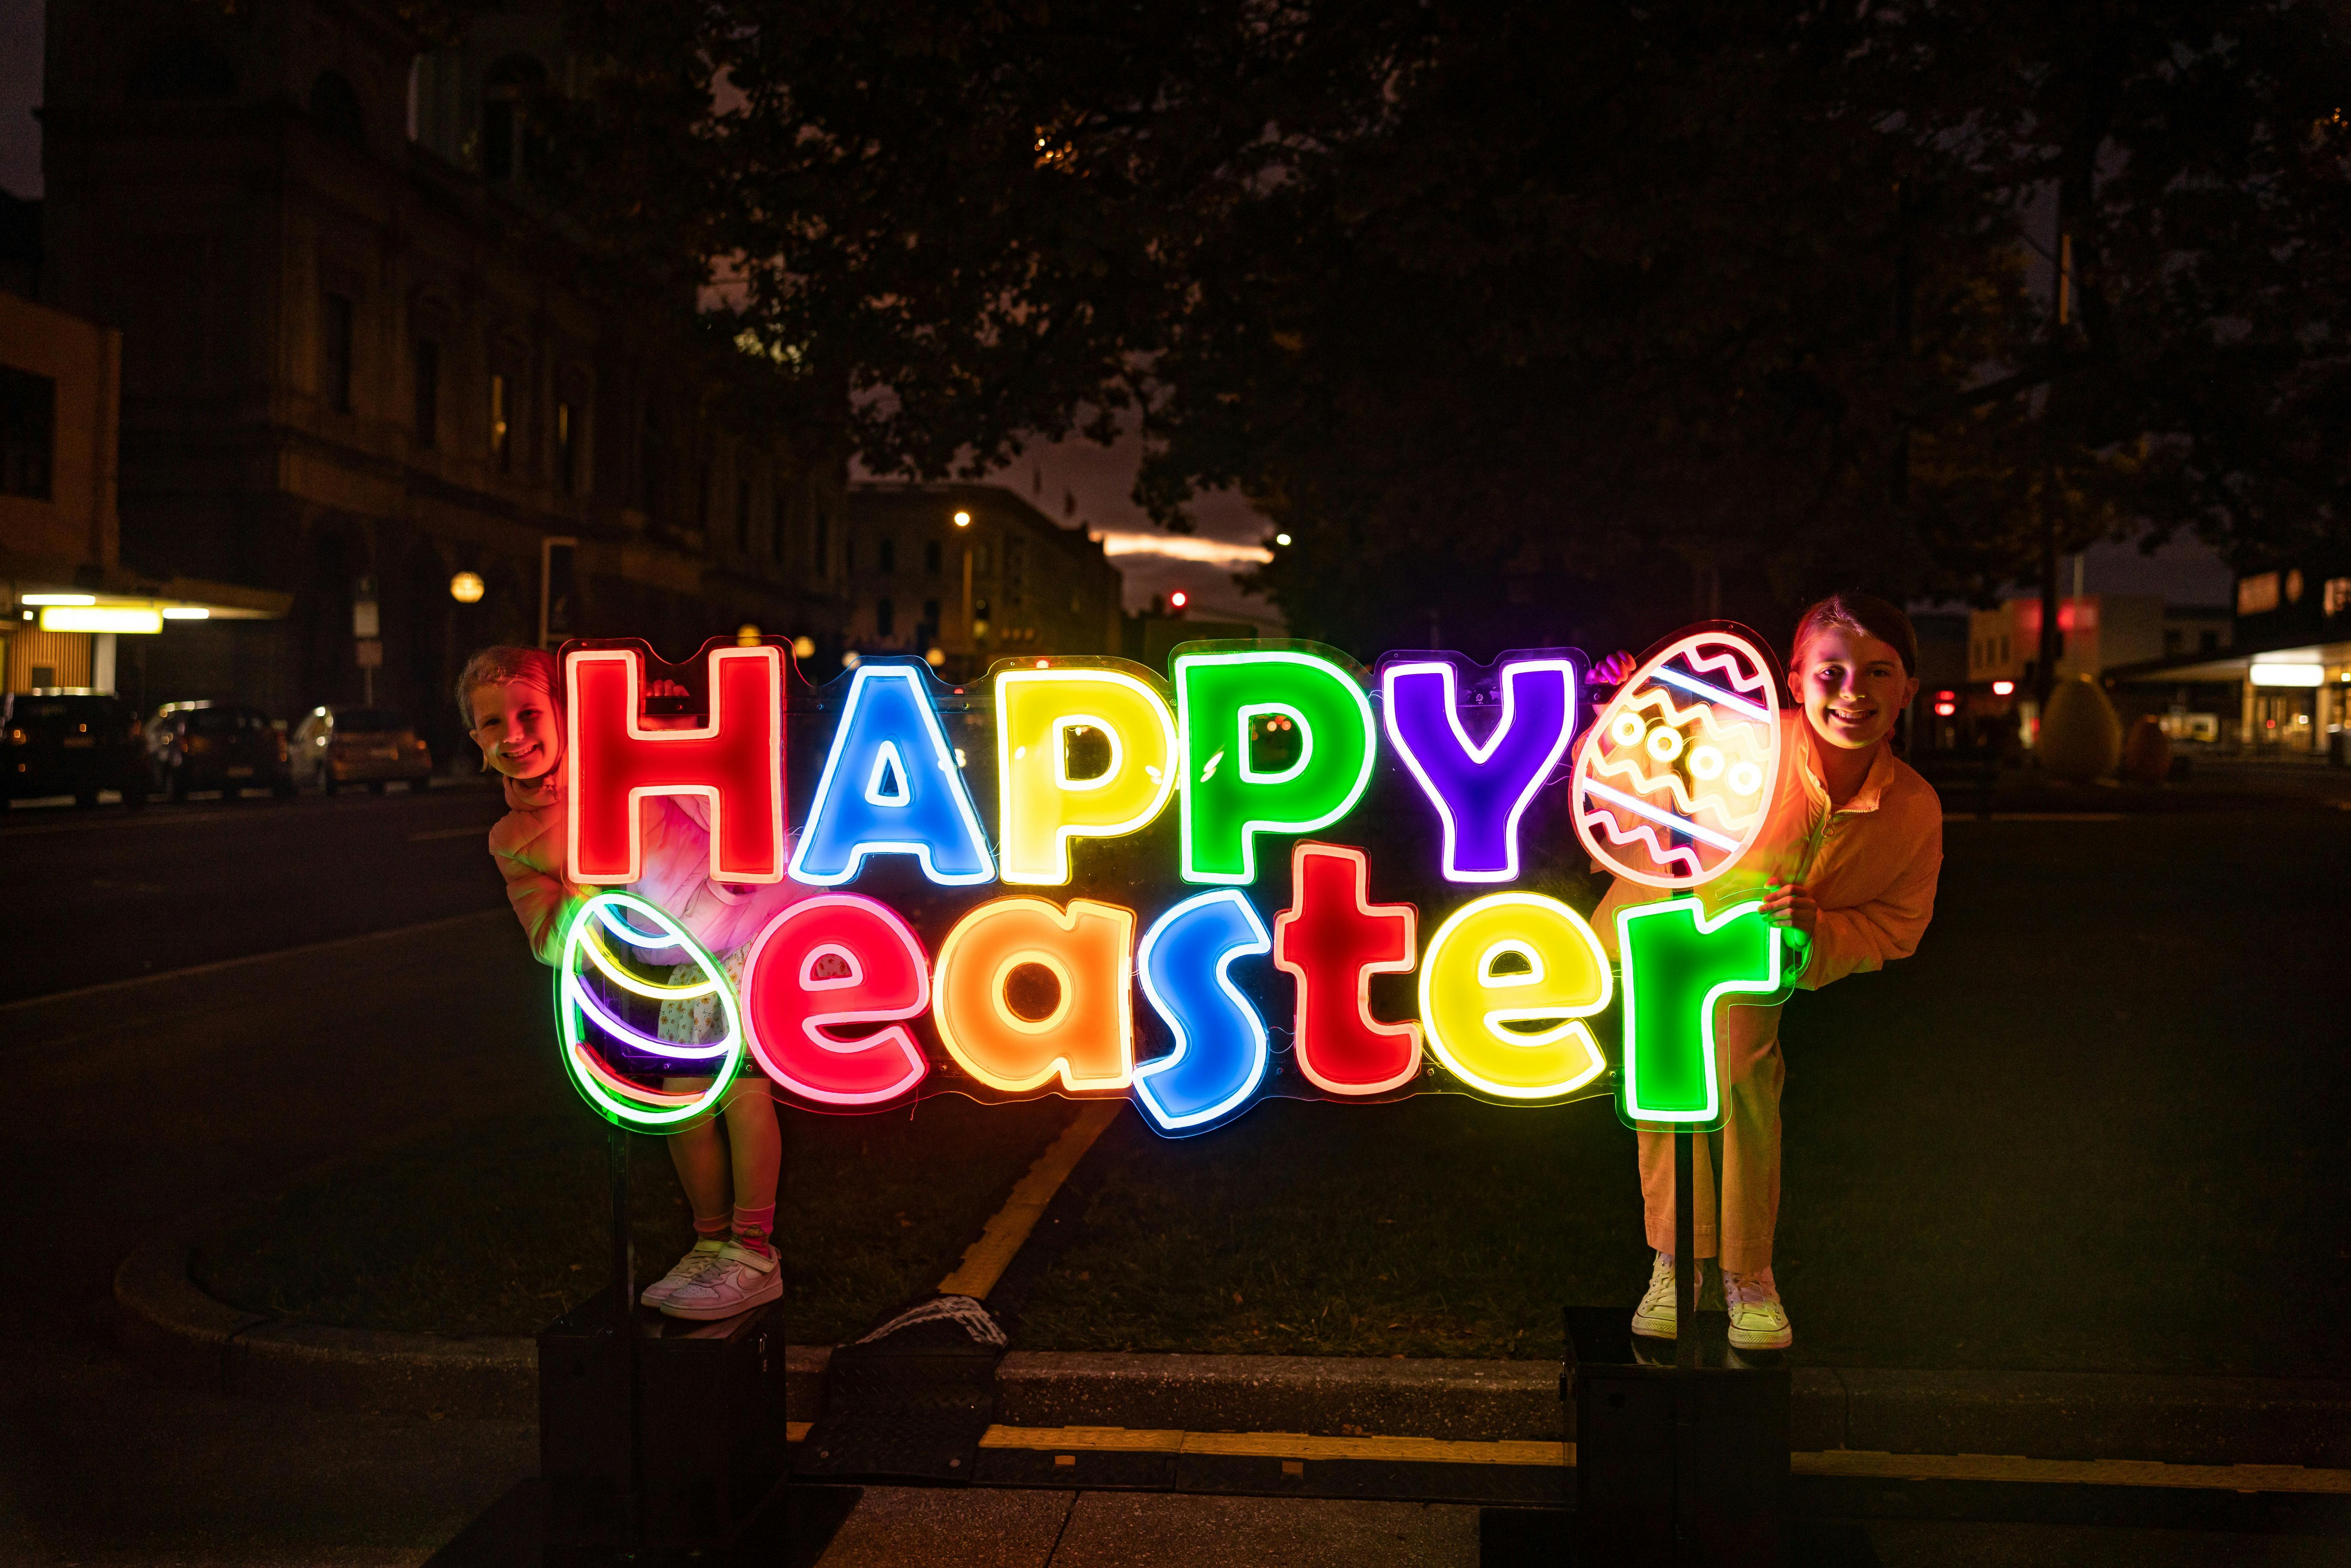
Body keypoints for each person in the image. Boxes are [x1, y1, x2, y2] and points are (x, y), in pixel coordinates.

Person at [1589, 595, 1944, 1350]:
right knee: (1677, 1081)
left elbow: (1897, 925)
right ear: (1795, 680)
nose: (1853, 692)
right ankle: (1679, 1260)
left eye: (1878, 672)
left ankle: (1744, 1270)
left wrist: (1817, 931)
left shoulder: (1912, 810)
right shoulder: (1740, 745)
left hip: (1752, 962)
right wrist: (1618, 718)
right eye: (1831, 671)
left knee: (1744, 1077)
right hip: (1666, 937)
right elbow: (1630, 793)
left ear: (1909, 687)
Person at [462, 645, 806, 1321]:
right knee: (683, 1102)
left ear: (565, 712)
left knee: (741, 1085)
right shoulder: (512, 838)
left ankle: (755, 1252)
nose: (514, 735)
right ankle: (713, 1244)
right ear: (475, 739)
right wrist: (584, 882)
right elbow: (551, 945)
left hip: (755, 927)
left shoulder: (631, 754)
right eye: (492, 723)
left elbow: (732, 809)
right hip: (686, 957)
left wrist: (728, 848)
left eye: (529, 713)